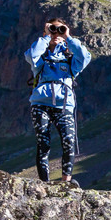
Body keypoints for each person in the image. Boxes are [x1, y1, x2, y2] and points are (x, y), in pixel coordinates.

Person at [24, 19, 92, 186]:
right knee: (43, 142)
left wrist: (68, 37)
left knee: (69, 140)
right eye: (52, 29)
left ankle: (66, 182)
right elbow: (30, 55)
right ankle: (44, 183)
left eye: (58, 30)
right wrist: (46, 37)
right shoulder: (41, 57)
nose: (56, 33)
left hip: (64, 105)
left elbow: (84, 57)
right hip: (40, 104)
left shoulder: (70, 60)